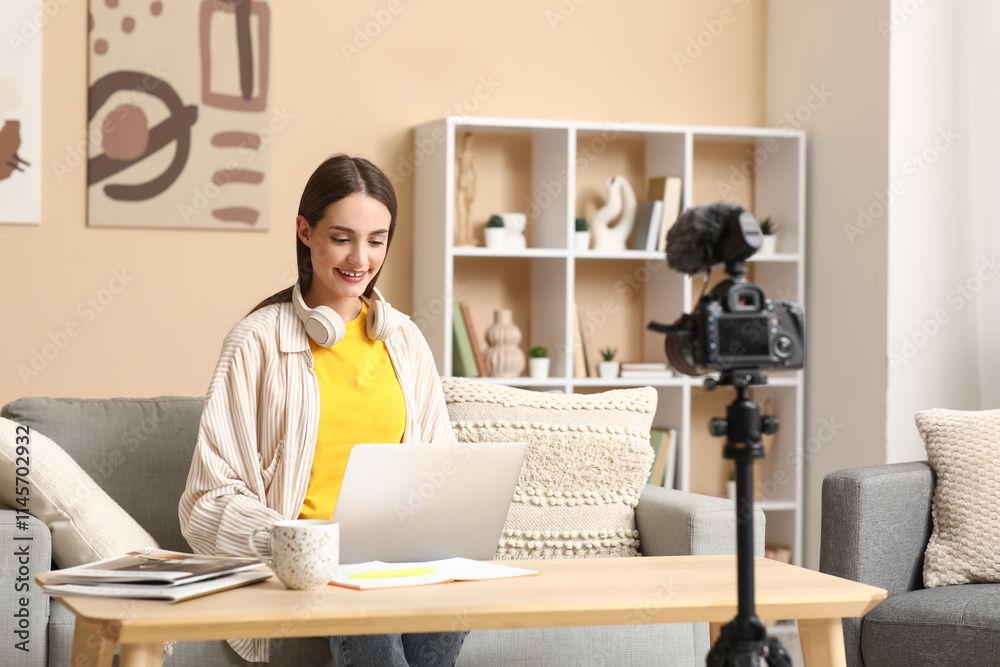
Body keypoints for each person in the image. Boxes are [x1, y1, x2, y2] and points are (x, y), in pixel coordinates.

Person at [178, 154, 468, 666]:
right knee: (370, 625)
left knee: (449, 613)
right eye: (341, 237)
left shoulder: (406, 342)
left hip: (398, 563)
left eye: (376, 240)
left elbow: (440, 471)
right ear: (305, 232)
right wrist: (298, 546)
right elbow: (207, 499)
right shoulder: (256, 342)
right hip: (312, 571)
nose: (361, 257)